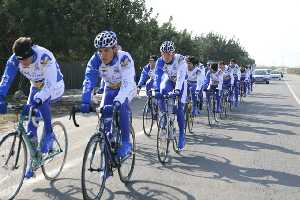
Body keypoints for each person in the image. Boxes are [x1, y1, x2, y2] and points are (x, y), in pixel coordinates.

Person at [0, 37, 65, 178]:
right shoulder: (15, 59)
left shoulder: (44, 57)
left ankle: (49, 133)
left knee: (40, 103)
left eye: (25, 59)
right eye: (20, 60)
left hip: (54, 86)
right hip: (35, 86)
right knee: (31, 126)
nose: (22, 63)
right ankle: (34, 160)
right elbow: (6, 78)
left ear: (31, 53)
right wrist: (1, 96)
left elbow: (49, 86)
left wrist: (36, 101)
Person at [80, 30, 137, 159]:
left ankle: (126, 143)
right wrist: (85, 100)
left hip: (126, 87)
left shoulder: (124, 58)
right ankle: (108, 146)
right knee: (104, 114)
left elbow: (128, 83)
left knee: (121, 106)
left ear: (115, 49)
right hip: (109, 87)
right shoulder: (95, 60)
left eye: (106, 50)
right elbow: (89, 79)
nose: (102, 55)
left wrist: (119, 100)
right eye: (100, 50)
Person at [154, 41, 187, 151]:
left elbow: (180, 76)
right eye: (163, 54)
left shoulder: (180, 60)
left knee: (179, 109)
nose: (166, 56)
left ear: (173, 53)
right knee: (161, 91)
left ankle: (182, 134)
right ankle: (164, 116)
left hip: (181, 83)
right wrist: (156, 90)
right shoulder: (160, 61)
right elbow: (157, 76)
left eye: (168, 54)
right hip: (169, 81)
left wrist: (177, 90)